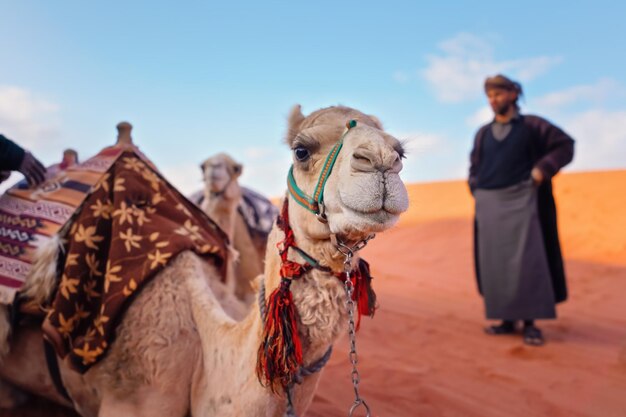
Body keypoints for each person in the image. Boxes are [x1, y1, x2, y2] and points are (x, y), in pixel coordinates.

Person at [468, 74, 575, 346]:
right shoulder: (483, 133)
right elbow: (474, 164)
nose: (494, 100)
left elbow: (565, 145)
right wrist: (475, 185)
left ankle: (530, 323)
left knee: (527, 261)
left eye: (498, 94)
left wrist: (542, 169)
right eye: (490, 96)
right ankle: (505, 320)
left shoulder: (532, 125)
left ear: (513, 94)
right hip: (490, 205)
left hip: (524, 201)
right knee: (496, 264)